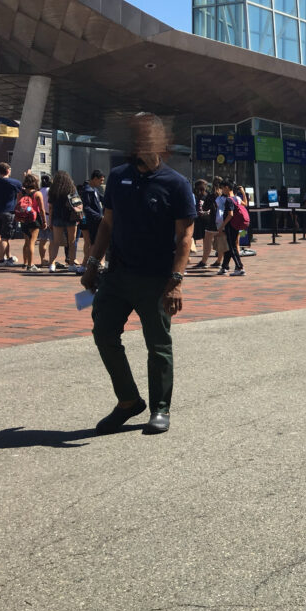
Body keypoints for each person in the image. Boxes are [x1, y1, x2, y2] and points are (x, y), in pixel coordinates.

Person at [80, 112, 197, 435]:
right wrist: (92, 264)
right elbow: (107, 224)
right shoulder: (118, 177)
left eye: (147, 136)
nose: (140, 143)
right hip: (117, 276)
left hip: (156, 280)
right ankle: (129, 401)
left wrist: (176, 282)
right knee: (104, 334)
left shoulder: (176, 183)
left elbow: (185, 236)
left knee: (157, 345)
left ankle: (160, 408)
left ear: (160, 141)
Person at [47, 169, 81, 273]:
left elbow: (51, 207)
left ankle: (52, 264)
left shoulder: (53, 190)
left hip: (57, 217)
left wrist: (50, 221)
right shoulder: (72, 189)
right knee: (72, 242)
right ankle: (71, 264)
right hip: (70, 217)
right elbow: (77, 203)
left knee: (55, 242)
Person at [16, 172, 46, 272]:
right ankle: (30, 265)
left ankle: (25, 263)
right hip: (34, 219)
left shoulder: (21, 193)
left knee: (26, 242)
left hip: (24, 218)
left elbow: (18, 206)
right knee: (32, 242)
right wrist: (44, 221)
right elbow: (41, 209)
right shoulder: (37, 194)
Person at [216, 179, 245, 276]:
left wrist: (222, 226)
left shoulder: (228, 200)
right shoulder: (236, 198)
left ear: (227, 188)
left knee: (232, 247)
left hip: (230, 225)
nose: (222, 190)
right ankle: (225, 267)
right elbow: (245, 204)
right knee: (230, 246)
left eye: (222, 188)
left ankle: (239, 267)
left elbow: (230, 214)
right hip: (235, 225)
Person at [0, 161, 22, 266]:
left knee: (4, 236)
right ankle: (1, 260)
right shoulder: (15, 182)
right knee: (5, 237)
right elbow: (22, 194)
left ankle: (8, 257)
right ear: (7, 170)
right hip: (9, 212)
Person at [79, 170, 105, 267]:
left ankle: (87, 264)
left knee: (91, 243)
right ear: (95, 179)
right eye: (101, 180)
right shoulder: (87, 190)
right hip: (91, 221)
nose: (102, 183)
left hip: (94, 220)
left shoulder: (94, 189)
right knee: (92, 243)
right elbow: (86, 207)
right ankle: (87, 265)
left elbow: (102, 199)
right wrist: (99, 216)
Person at [37, 173, 52, 267]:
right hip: (50, 216)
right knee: (52, 241)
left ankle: (42, 259)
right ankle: (51, 260)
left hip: (41, 217)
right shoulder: (50, 191)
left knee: (42, 240)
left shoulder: (39, 191)